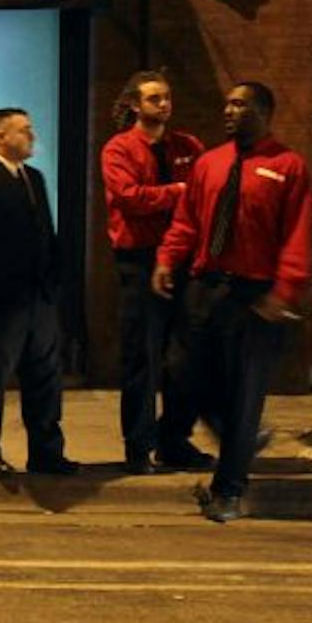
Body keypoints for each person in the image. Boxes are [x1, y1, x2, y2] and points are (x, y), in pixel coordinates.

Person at [154, 82, 312, 523]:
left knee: (244, 393)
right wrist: (167, 258)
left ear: (262, 112)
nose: (228, 110)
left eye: (239, 104)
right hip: (205, 287)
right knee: (181, 370)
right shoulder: (211, 162)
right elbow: (187, 220)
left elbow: (297, 235)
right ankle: (233, 434)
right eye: (227, 103)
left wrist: (284, 291)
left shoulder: (288, 167)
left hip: (254, 295)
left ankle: (229, 490)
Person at [0, 107, 76, 478]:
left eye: (30, 128)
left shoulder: (33, 178)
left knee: (45, 377)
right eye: (23, 130)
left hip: (38, 299)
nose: (32, 135)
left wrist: (53, 283)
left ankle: (46, 453)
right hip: (1, 304)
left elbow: (46, 233)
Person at [100, 70, 210, 474]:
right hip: (139, 260)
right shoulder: (119, 149)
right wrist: (178, 192)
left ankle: (173, 441)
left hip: (182, 257)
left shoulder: (187, 146)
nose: (164, 105)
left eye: (166, 97)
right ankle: (138, 447)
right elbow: (130, 198)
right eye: (154, 99)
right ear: (134, 104)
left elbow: (205, 193)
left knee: (185, 357)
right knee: (142, 358)